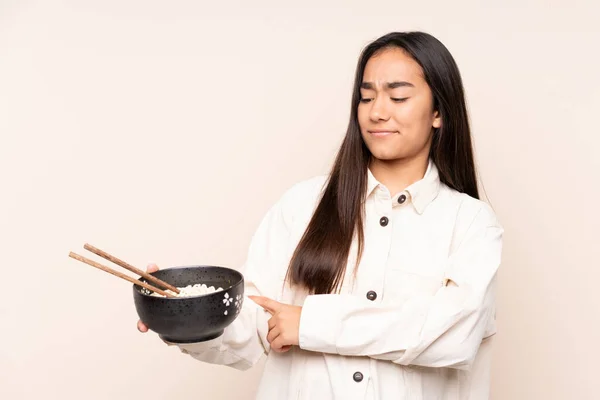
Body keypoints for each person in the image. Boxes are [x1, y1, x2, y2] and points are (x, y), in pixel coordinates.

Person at [137, 31, 504, 399]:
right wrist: (188, 316)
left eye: (398, 96)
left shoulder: (471, 223)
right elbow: (255, 328)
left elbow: (453, 335)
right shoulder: (302, 205)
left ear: (439, 111)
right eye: (366, 97)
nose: (377, 111)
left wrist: (310, 324)